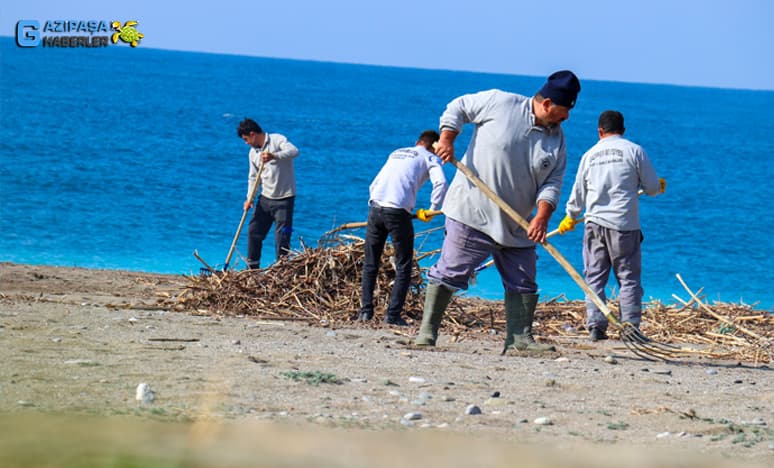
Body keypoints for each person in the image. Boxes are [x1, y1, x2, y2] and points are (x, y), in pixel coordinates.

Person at [414, 70, 581, 352]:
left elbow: (552, 182)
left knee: (524, 280)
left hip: (518, 222)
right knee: (451, 272)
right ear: (548, 103)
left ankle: (519, 340)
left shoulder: (557, 139)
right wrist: (447, 138)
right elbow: (459, 107)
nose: (566, 119)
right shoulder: (500, 102)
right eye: (564, 112)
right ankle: (427, 333)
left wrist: (542, 216)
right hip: (472, 210)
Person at [558, 110, 665, 342]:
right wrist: (658, 186)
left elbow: (578, 193)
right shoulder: (634, 150)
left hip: (593, 223)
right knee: (628, 279)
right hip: (624, 226)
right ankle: (631, 329)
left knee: (594, 278)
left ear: (599, 131)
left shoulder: (589, 155)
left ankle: (596, 327)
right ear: (623, 131)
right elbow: (652, 188)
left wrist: (570, 216)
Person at [359, 130, 448, 326]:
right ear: (434, 146)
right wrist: (433, 210)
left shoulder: (397, 152)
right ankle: (392, 316)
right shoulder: (430, 157)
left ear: (417, 142)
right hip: (397, 213)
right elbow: (441, 182)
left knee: (370, 263)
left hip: (375, 207)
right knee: (404, 266)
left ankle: (365, 312)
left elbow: (375, 183)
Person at [236, 118, 300, 269]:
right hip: (265, 199)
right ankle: (252, 270)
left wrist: (274, 155)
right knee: (253, 232)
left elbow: (294, 151)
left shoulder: (277, 140)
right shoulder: (253, 153)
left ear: (252, 134)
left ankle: (281, 271)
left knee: (282, 238)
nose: (246, 143)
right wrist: (249, 198)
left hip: (284, 199)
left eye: (246, 139)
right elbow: (253, 177)